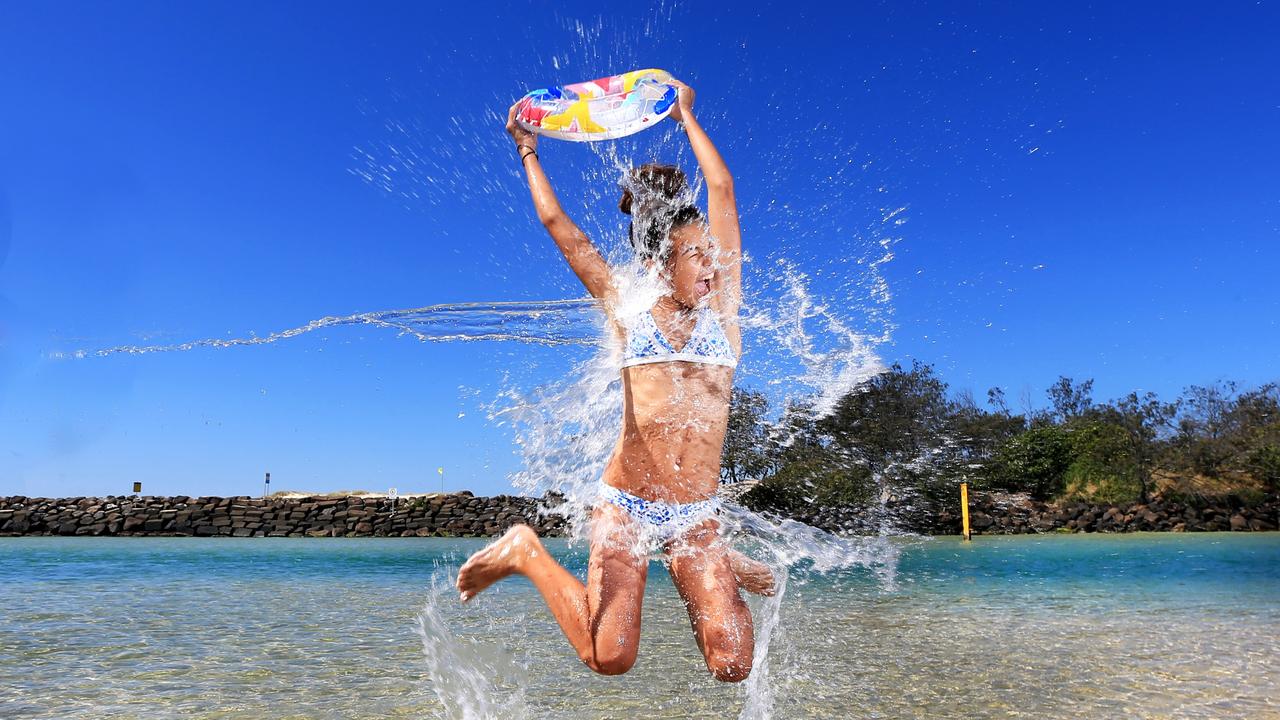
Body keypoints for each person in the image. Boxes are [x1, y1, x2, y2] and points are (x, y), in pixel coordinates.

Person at [456, 78, 772, 683]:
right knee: (610, 657)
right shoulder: (629, 315)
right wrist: (527, 147)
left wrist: (685, 118)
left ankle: (710, 557)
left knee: (733, 662)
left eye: (711, 253)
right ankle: (525, 551)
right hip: (627, 507)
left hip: (696, 512)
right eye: (696, 256)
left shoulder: (723, 319)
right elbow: (559, 225)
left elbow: (723, 189)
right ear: (660, 264)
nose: (712, 266)